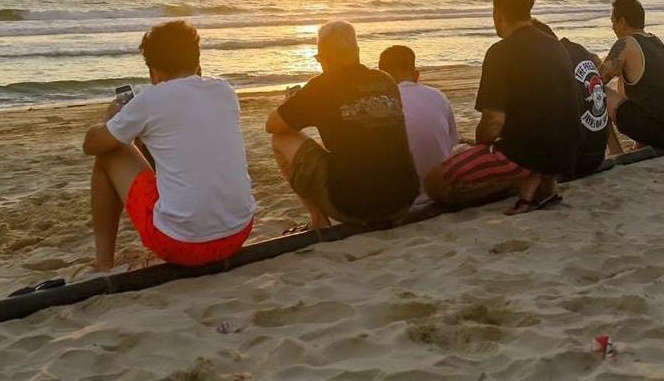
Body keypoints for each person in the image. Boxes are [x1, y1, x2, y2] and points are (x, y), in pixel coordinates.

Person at [81, 20, 255, 271]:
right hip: (238, 233)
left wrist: (111, 119)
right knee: (158, 142)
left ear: (154, 72)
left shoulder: (151, 99)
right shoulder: (225, 91)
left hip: (181, 245)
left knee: (109, 153)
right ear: (197, 62)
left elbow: (91, 145)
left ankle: (103, 263)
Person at [424, 0, 581, 214]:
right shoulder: (555, 46)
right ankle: (536, 182)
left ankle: (517, 179)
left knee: (435, 181)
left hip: (526, 154)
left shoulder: (501, 52)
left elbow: (493, 123)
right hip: (565, 152)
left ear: (498, 13)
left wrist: (479, 146)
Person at [265, 21, 419, 228]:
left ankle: (318, 221)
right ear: (356, 51)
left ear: (324, 59)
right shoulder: (385, 81)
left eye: (319, 59)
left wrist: (291, 103)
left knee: (281, 138)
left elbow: (273, 125)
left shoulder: (322, 86)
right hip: (403, 201)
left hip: (352, 205)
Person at [599, 0, 664, 150]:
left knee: (597, 91)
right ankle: (640, 144)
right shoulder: (655, 41)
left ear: (622, 22)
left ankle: (615, 151)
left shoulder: (625, 43)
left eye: (613, 22)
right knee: (628, 81)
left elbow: (597, 80)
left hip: (662, 135)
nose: (612, 27)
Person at [530, 19, 619, 174]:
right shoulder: (578, 50)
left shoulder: (549, 63)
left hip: (574, 161)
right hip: (597, 154)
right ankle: (616, 150)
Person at [377, 45, 458, 208]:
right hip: (440, 189)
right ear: (416, 73)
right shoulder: (438, 95)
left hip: (403, 201)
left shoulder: (383, 103)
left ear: (383, 75)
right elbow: (451, 144)